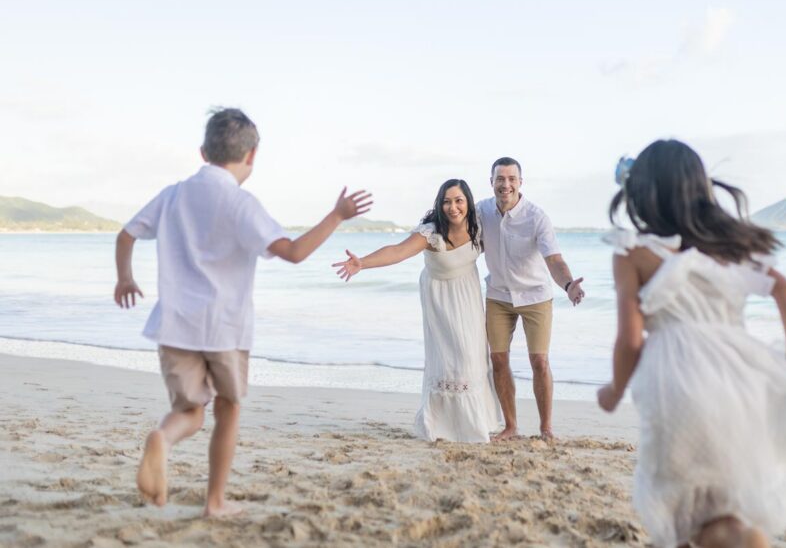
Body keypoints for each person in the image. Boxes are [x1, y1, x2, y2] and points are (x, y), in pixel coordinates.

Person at [113, 108, 372, 517]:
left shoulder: (173, 194)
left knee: (189, 412)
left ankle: (163, 439)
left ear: (203, 151)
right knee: (227, 408)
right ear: (251, 156)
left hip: (175, 325)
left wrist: (124, 279)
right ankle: (214, 502)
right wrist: (337, 215)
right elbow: (293, 252)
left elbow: (126, 234)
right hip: (224, 328)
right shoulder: (240, 203)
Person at [597, 139, 786, 548]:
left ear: (642, 194)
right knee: (727, 501)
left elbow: (630, 341)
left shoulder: (633, 253)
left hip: (674, 383)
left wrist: (613, 391)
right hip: (739, 379)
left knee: (689, 507)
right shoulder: (733, 248)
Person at [333, 179, 501, 443]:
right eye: (446, 201)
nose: (453, 207)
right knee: (450, 359)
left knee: (473, 356)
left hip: (468, 296)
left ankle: (475, 423)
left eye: (458, 200)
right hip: (441, 300)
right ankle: (443, 426)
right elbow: (397, 251)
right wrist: (362, 263)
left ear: (468, 202)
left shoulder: (477, 225)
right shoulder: (431, 232)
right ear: (439, 204)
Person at [479, 157, 584, 441]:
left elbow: (554, 259)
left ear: (520, 183)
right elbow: (463, 241)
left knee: (539, 361)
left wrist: (568, 285)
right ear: (491, 182)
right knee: (498, 360)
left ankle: (545, 428)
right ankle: (511, 426)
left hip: (535, 296)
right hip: (498, 296)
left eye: (512, 179)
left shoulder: (537, 217)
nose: (506, 184)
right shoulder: (481, 212)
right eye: (500, 179)